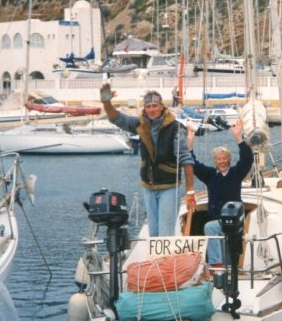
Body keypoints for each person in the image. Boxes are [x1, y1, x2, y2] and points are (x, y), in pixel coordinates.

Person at [100, 83, 195, 236]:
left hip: (169, 186)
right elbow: (116, 118)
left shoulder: (176, 128)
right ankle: (156, 260)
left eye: (155, 105)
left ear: (162, 107)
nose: (151, 109)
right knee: (153, 232)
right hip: (148, 187)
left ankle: (164, 259)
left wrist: (190, 190)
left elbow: (186, 159)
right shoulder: (139, 124)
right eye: (148, 106)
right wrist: (106, 102)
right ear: (144, 108)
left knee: (165, 233)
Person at [186, 117, 254, 265]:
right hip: (217, 220)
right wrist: (190, 143)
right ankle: (218, 264)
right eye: (218, 159)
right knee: (211, 227)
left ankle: (216, 263)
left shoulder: (236, 173)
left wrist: (238, 137)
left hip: (235, 219)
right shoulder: (210, 175)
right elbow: (193, 164)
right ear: (215, 161)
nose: (222, 161)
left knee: (209, 227)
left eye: (224, 158)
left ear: (229, 160)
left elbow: (247, 159)